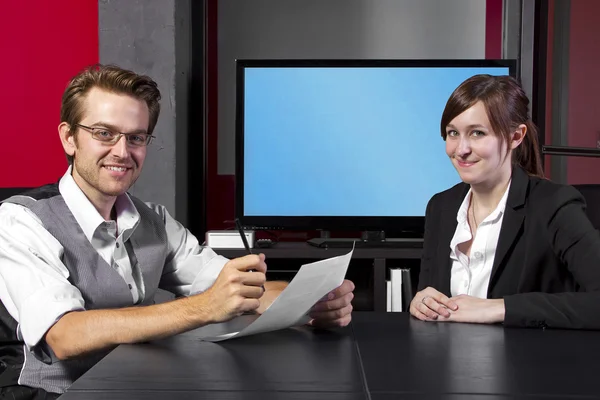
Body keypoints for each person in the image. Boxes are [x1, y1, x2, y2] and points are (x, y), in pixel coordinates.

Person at [0, 64, 355, 398]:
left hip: (133, 388)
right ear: (69, 138)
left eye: (136, 138)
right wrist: (204, 308)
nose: (122, 152)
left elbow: (234, 289)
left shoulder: (154, 221)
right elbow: (65, 334)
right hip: (53, 394)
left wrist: (312, 302)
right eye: (104, 133)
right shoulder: (21, 220)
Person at [409, 74, 600, 329]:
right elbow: (431, 296)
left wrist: (499, 307)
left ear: (515, 136)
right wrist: (422, 302)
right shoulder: (441, 207)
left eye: (477, 133)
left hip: (530, 365)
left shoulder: (554, 206)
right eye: (453, 133)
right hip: (448, 364)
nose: (461, 149)